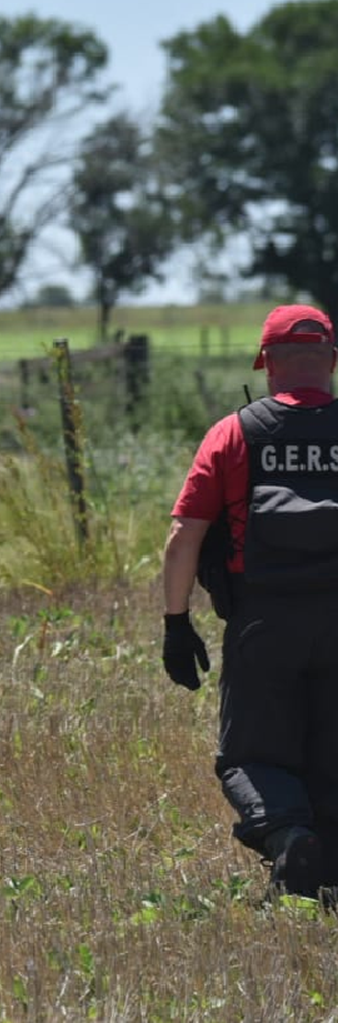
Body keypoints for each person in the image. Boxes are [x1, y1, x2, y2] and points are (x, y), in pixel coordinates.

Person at [162, 303, 338, 900]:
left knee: (251, 757)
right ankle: (320, 877)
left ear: (266, 365)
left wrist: (175, 623)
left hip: (263, 622)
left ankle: (290, 840)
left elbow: (184, 535)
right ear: (332, 363)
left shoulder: (235, 433)